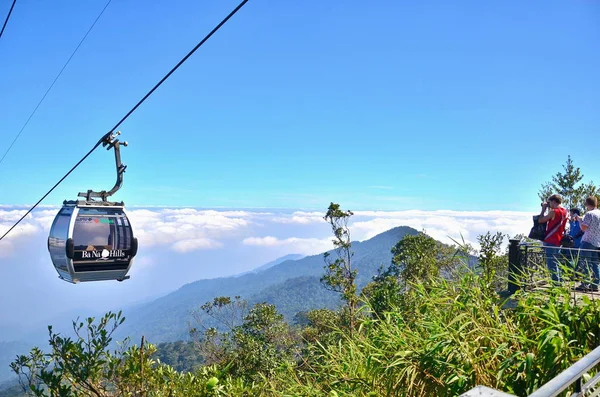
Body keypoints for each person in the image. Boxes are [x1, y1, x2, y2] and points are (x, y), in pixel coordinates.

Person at [537, 194, 568, 283]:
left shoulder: (554, 211)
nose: (549, 204)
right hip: (559, 240)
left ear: (554, 201)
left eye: (550, 202)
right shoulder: (565, 211)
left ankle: (556, 284)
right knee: (556, 262)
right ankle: (559, 282)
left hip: (550, 239)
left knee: (551, 264)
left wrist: (543, 209)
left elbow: (540, 220)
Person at [575, 196, 600, 291]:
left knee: (585, 263)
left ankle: (584, 284)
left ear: (587, 204)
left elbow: (583, 228)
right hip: (597, 242)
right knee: (595, 263)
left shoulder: (589, 214)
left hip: (587, 241)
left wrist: (580, 220)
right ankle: (595, 284)